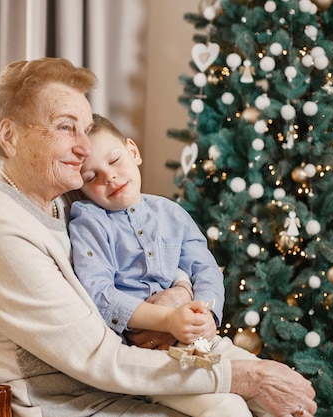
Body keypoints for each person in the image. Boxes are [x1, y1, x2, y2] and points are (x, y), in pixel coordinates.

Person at [0, 56, 317, 417]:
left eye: (86, 129)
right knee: (230, 406)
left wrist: (182, 293)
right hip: (66, 404)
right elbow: (99, 359)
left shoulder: (65, 201)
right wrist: (242, 376)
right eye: (65, 127)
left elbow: (157, 247)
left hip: (113, 387)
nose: (86, 149)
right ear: (10, 136)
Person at [67, 114, 270, 417]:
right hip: (148, 359)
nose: (108, 177)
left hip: (200, 340)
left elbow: (205, 268)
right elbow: (100, 294)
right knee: (227, 408)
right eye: (91, 177)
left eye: (114, 161)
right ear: (81, 188)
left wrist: (206, 313)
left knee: (274, 387)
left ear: (133, 151)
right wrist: (166, 320)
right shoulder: (89, 222)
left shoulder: (169, 212)